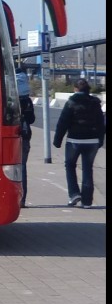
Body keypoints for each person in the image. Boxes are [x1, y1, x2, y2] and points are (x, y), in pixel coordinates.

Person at [52, 78, 105, 208]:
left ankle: (74, 194)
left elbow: (63, 122)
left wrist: (57, 141)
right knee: (88, 169)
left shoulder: (72, 102)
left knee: (70, 166)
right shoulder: (95, 103)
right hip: (92, 141)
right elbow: (101, 124)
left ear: (75, 89)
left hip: (74, 140)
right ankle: (87, 202)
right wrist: (100, 141)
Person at [16, 68, 35, 207]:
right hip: (25, 135)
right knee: (23, 167)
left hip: (11, 134)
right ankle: (22, 199)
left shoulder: (9, 96)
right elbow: (32, 119)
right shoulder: (27, 100)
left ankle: (13, 196)